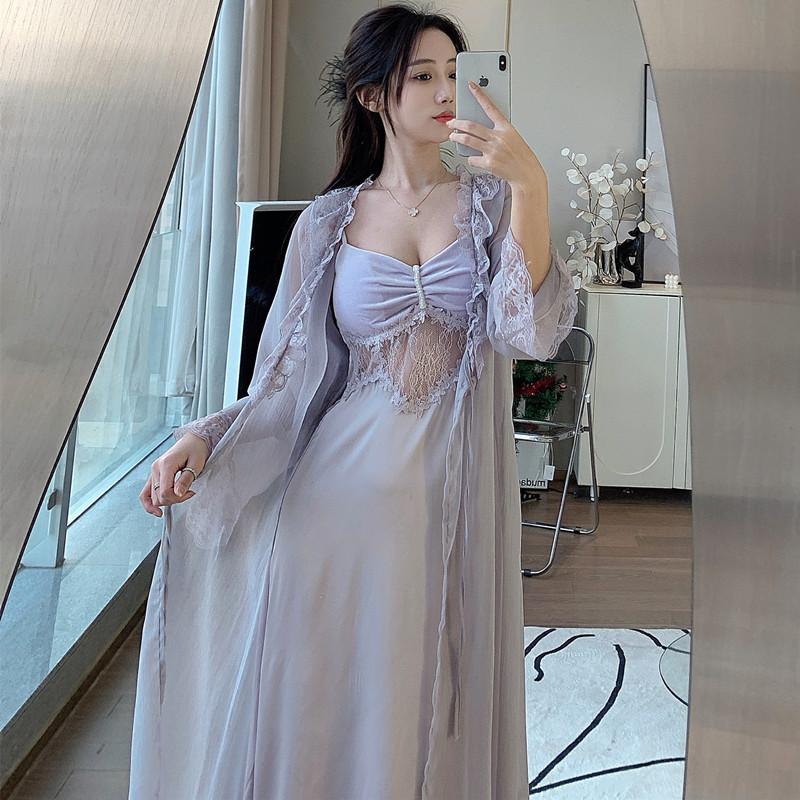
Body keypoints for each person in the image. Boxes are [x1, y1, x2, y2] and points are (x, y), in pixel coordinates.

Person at [129, 4, 577, 799]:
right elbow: (283, 381)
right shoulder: (329, 222)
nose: (446, 92)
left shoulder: (491, 206)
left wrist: (530, 185)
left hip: (448, 498)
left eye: (454, 73)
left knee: (426, 687)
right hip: (332, 502)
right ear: (373, 96)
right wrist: (204, 437)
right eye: (423, 76)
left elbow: (527, 331)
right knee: (329, 693)